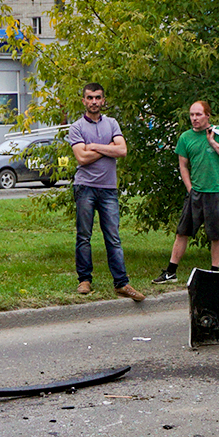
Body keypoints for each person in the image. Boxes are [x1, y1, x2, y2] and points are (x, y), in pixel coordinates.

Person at [68, 83, 144, 301]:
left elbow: (122, 150)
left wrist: (94, 147)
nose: (94, 101)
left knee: (113, 237)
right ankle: (84, 280)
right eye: (90, 98)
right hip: (85, 188)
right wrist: (107, 148)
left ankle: (122, 283)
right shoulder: (76, 127)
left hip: (108, 189)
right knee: (84, 235)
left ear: (103, 100)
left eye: (98, 98)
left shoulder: (112, 123)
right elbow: (81, 158)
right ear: (83, 101)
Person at [152, 100, 219, 284]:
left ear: (207, 115)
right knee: (182, 232)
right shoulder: (185, 138)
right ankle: (171, 272)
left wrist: (212, 142)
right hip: (196, 192)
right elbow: (183, 165)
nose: (194, 118)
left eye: (198, 114)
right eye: (191, 115)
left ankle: (214, 272)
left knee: (216, 235)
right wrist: (190, 188)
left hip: (217, 190)